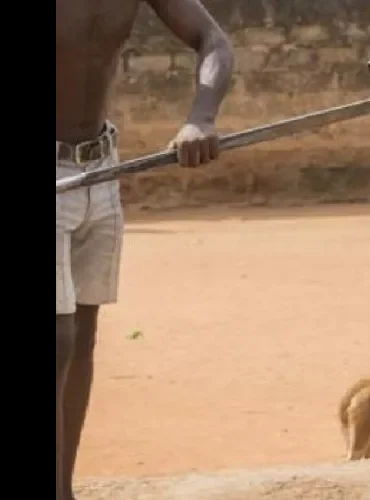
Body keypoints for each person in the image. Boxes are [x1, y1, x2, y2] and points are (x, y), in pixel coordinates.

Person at [56, 2, 234, 499]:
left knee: (83, 334)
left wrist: (201, 117)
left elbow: (213, 40)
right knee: (58, 337)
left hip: (101, 166)